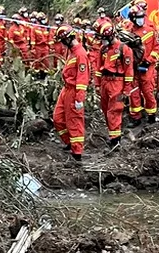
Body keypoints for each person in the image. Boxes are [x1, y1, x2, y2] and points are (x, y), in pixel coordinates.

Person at [121, 0, 159, 125]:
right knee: (134, 92)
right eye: (138, 17)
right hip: (133, 67)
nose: (141, 19)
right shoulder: (127, 33)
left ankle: (151, 115)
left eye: (141, 17)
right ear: (133, 19)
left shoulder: (149, 30)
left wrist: (148, 61)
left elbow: (156, 48)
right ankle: (136, 117)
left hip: (147, 67)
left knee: (148, 91)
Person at [53, 24, 90, 160]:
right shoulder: (71, 51)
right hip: (66, 89)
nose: (62, 44)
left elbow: (82, 78)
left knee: (74, 121)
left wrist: (79, 98)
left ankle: (77, 152)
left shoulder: (80, 54)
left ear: (68, 39)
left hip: (74, 91)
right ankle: (69, 142)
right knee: (58, 118)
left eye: (63, 41)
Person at [97, 21, 134, 148]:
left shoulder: (124, 49)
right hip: (105, 82)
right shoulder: (103, 49)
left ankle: (115, 140)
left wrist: (127, 89)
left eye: (104, 38)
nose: (102, 41)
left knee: (114, 111)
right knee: (106, 110)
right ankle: (112, 134)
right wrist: (97, 84)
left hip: (117, 82)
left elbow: (129, 70)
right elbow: (98, 67)